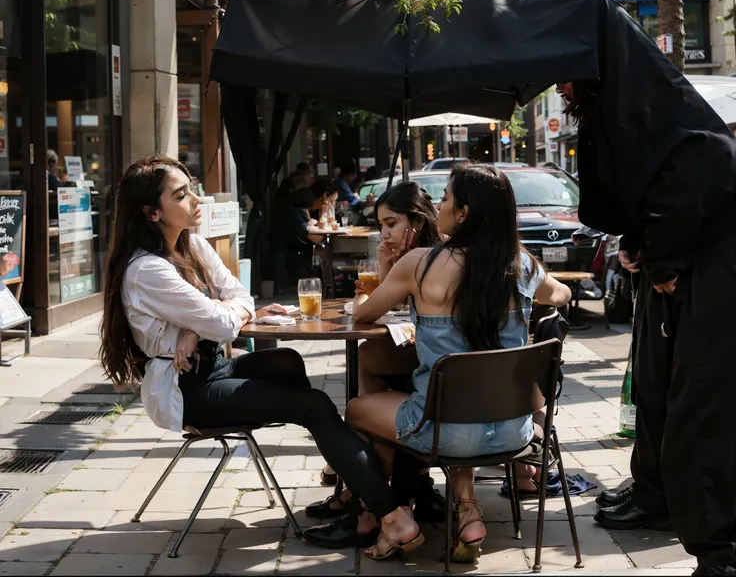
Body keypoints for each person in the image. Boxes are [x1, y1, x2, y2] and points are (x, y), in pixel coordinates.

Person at [99, 156, 424, 559]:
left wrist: (193, 327)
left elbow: (241, 298)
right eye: (181, 195)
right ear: (152, 213)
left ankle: (354, 493)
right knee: (315, 403)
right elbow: (222, 320)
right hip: (186, 389)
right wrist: (206, 321)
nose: (196, 199)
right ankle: (388, 514)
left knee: (287, 361)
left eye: (192, 187)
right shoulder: (147, 270)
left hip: (213, 365)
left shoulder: (193, 245)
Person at [309, 163, 571, 561]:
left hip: (444, 434)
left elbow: (363, 315)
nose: (439, 205)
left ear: (463, 213)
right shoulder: (520, 264)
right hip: (516, 431)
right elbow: (562, 296)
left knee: (361, 409)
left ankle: (385, 514)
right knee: (458, 400)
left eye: (446, 198)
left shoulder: (421, 263)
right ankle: (466, 507)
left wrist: (383, 274)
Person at [559, 77, 736, 576]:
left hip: (709, 295)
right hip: (697, 292)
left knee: (697, 420)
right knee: (681, 411)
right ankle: (707, 539)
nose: (562, 89)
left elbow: (680, 207)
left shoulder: (700, 148)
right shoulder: (693, 145)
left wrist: (664, 267)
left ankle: (717, 552)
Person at [306, 182, 446, 540]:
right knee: (368, 359)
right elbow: (395, 308)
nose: (384, 232)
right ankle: (385, 490)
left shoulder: (426, 256)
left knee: (363, 384)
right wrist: (386, 268)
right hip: (448, 371)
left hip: (436, 375)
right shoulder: (437, 252)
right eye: (381, 224)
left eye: (391, 223)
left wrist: (380, 279)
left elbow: (365, 311)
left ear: (415, 220)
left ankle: (367, 499)